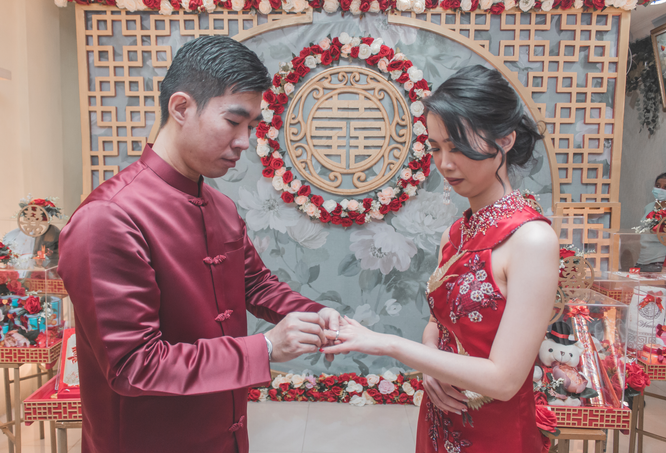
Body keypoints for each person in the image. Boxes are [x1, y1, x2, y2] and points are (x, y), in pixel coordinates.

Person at [58, 36, 341, 453]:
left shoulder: (220, 206)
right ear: (181, 108)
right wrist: (264, 348)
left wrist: (317, 314)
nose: (245, 142)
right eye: (234, 122)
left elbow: (255, 284)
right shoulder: (108, 218)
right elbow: (135, 365)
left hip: (224, 435)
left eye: (252, 127)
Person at [323, 66, 559, 453]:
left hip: (495, 433)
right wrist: (431, 364)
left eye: (458, 147)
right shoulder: (457, 233)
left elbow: (503, 379)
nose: (445, 164)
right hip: (441, 415)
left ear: (505, 140)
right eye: (436, 148)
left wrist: (389, 345)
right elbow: (439, 323)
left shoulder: (531, 239)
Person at [635, 172, 666, 272]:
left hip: (660, 262)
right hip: (642, 259)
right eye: (658, 186)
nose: (660, 189)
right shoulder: (649, 207)